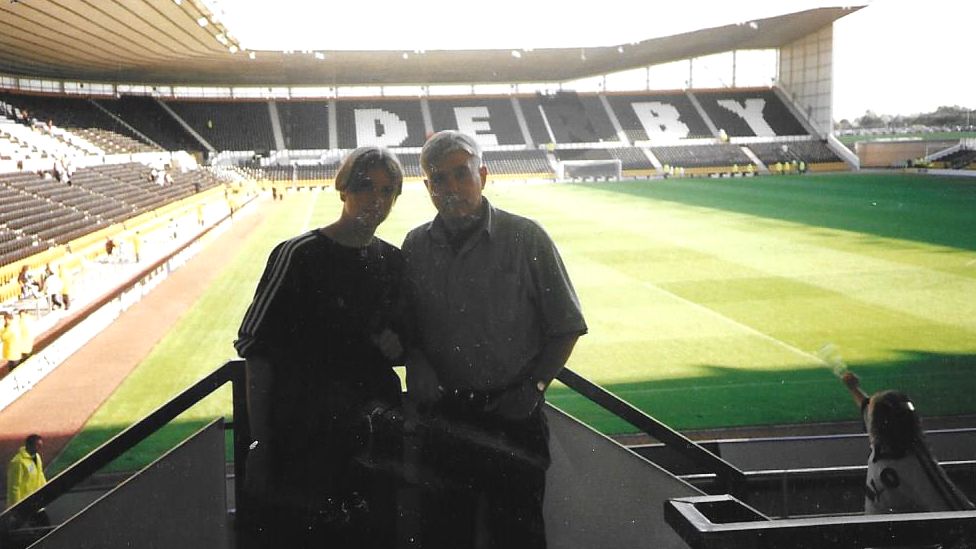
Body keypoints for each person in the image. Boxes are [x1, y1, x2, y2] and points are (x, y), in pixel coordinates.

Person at [402, 130, 587, 548]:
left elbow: (566, 325)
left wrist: (535, 387)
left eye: (460, 175)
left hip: (513, 418)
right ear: (427, 187)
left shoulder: (526, 238)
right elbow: (409, 324)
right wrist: (416, 357)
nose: (451, 188)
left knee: (518, 538)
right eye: (439, 179)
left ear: (482, 175)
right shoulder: (414, 246)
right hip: (445, 418)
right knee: (445, 536)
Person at [234, 146, 407, 549]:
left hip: (373, 440)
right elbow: (257, 350)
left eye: (387, 190)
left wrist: (398, 347)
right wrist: (260, 444)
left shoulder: (395, 262)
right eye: (365, 186)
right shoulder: (297, 255)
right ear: (343, 188)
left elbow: (403, 347)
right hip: (304, 441)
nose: (375, 199)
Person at [840, 372, 974, 515]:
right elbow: (867, 407)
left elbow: (960, 513)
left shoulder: (915, 465)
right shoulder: (891, 440)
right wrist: (853, 388)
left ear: (878, 425)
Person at [6, 434, 50, 527]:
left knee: (43, 528)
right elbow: (14, 486)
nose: (40, 448)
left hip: (37, 500)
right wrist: (16, 507)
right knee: (42, 529)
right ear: (29, 445)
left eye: (41, 445)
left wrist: (46, 489)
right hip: (26, 503)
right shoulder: (18, 462)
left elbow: (40, 474)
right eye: (37, 445)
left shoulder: (37, 457)